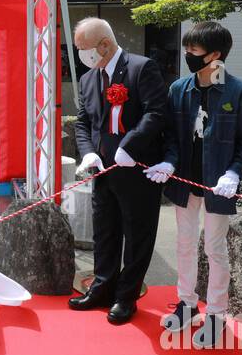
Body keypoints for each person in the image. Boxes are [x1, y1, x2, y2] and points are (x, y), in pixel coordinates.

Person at [144, 21, 242, 347]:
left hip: (217, 186)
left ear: (215, 55)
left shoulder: (239, 92)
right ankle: (187, 303)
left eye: (194, 50)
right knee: (183, 242)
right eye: (187, 49)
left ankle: (217, 314)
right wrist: (168, 161)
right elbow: (170, 137)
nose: (187, 55)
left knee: (214, 248)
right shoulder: (179, 89)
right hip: (184, 182)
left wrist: (234, 173)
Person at [69, 17, 169, 325]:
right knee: (105, 232)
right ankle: (102, 287)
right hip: (103, 170)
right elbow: (84, 122)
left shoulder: (141, 68)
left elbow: (156, 112)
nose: (81, 56)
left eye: (84, 49)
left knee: (137, 235)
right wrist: (87, 154)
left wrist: (130, 145)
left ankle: (126, 296)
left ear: (105, 45)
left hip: (136, 168)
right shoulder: (89, 78)